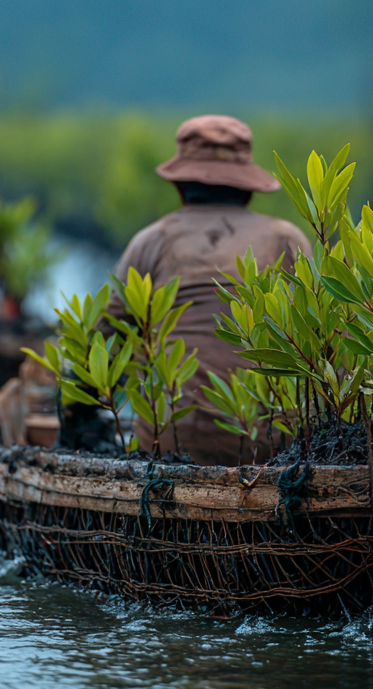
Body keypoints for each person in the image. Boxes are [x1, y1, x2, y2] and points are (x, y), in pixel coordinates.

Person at [107, 115, 311, 465]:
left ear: (181, 186)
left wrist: (76, 418)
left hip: (169, 439)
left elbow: (104, 340)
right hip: (267, 444)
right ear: (247, 188)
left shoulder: (152, 241)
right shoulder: (286, 239)